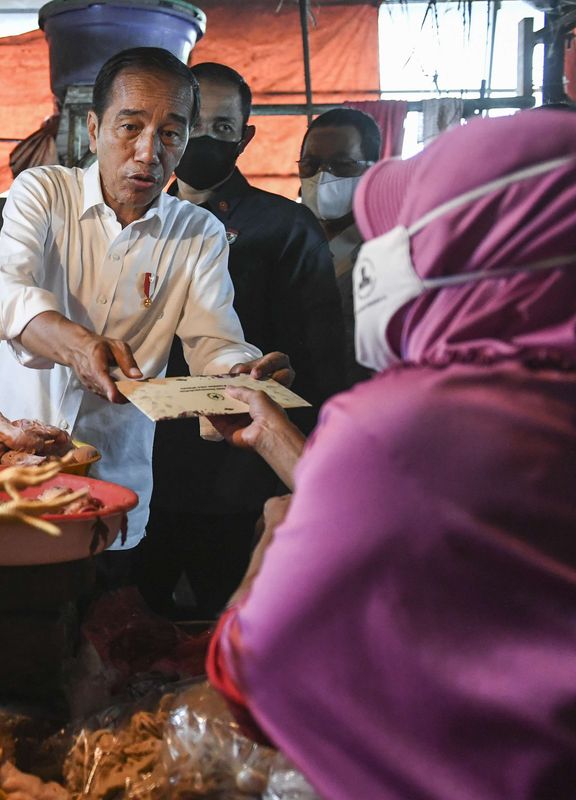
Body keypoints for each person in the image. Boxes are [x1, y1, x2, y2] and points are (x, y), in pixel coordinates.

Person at [206, 112, 576, 799]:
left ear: (467, 246)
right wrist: (290, 443)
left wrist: (280, 535)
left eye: (410, 232)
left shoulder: (405, 425)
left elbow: (253, 675)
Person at [0, 47, 291, 568]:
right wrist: (79, 345)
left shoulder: (198, 233)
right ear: (93, 127)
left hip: (114, 478)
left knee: (102, 623)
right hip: (9, 468)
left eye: (170, 133)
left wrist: (239, 375)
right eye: (129, 127)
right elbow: (11, 296)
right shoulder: (43, 193)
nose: (149, 152)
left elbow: (213, 338)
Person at [143, 62, 346, 616]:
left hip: (237, 480)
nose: (206, 138)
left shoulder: (285, 228)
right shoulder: (133, 221)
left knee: (231, 628)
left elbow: (323, 362)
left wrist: (299, 476)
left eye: (224, 127)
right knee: (123, 630)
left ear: (246, 136)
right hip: (140, 468)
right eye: (192, 123)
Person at [299, 107, 381, 386]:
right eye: (310, 164)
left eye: (342, 165)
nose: (322, 176)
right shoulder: (284, 238)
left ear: (373, 169)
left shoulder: (389, 252)